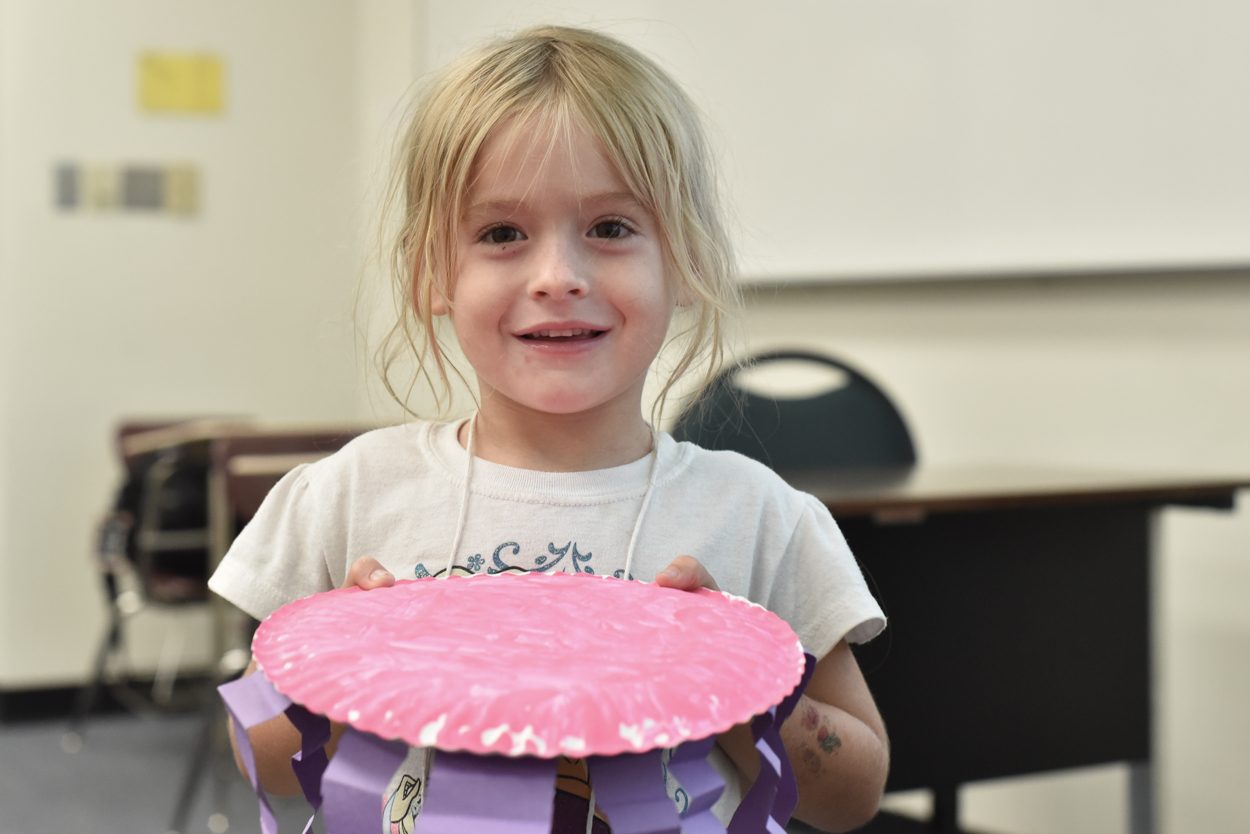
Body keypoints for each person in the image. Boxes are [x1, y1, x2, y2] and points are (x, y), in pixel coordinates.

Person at [209, 24, 888, 834]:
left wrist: (740, 688)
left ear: (686, 260)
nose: (558, 277)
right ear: (431, 272)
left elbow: (853, 794)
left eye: (611, 228)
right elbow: (259, 755)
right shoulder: (350, 494)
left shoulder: (757, 517)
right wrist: (344, 667)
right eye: (502, 234)